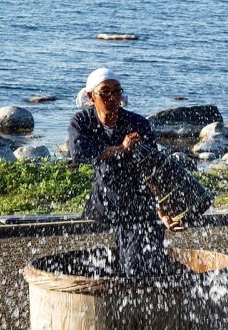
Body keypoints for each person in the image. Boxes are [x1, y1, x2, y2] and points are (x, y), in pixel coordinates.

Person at [67, 67, 182, 277]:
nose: (112, 97)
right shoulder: (82, 121)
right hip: (105, 201)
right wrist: (120, 149)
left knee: (140, 267)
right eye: (105, 92)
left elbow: (151, 168)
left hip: (140, 201)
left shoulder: (137, 123)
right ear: (91, 96)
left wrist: (162, 208)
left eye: (117, 92)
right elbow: (79, 152)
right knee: (106, 264)